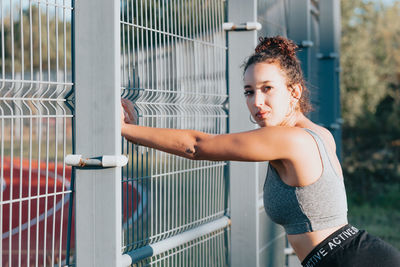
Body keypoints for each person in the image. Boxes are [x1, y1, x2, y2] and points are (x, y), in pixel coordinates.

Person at [121, 36, 400, 267]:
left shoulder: (288, 139)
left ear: (294, 92)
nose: (257, 102)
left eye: (268, 89)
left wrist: (124, 130)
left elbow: (197, 146)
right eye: (248, 92)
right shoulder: (319, 133)